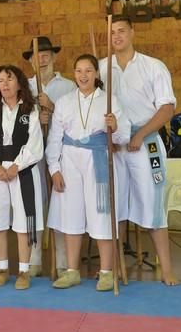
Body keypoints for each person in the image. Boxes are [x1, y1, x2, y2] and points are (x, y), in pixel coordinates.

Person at [99, 17, 179, 286]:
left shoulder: (153, 66)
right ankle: (117, 268)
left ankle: (166, 269)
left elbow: (167, 108)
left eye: (122, 30)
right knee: (116, 205)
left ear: (133, 32)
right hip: (115, 145)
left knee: (153, 205)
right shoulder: (102, 68)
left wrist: (141, 134)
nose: (117, 36)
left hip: (147, 143)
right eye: (112, 33)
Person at [46, 54, 130, 291]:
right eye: (79, 71)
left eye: (88, 71)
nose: (83, 75)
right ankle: (72, 271)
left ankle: (106, 271)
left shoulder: (109, 100)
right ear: (74, 74)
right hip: (69, 160)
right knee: (71, 214)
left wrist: (114, 126)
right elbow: (55, 138)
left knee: (101, 214)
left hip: (98, 160)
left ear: (96, 74)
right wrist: (54, 169)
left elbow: (124, 136)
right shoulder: (64, 102)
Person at [0, 65, 44, 290]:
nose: (4, 84)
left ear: (19, 83)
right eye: (0, 81)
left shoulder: (30, 110)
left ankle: (24, 271)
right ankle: (3, 268)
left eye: (9, 79)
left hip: (23, 169)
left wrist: (17, 166)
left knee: (24, 222)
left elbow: (35, 143)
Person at [23, 36, 74, 277]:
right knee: (34, 205)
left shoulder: (68, 87)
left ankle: (63, 261)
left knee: (61, 204)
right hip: (32, 156)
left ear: (54, 57)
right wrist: (36, 116)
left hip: (60, 155)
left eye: (45, 55)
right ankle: (34, 259)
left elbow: (77, 121)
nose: (41, 60)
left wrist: (52, 109)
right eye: (36, 56)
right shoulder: (23, 86)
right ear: (30, 61)